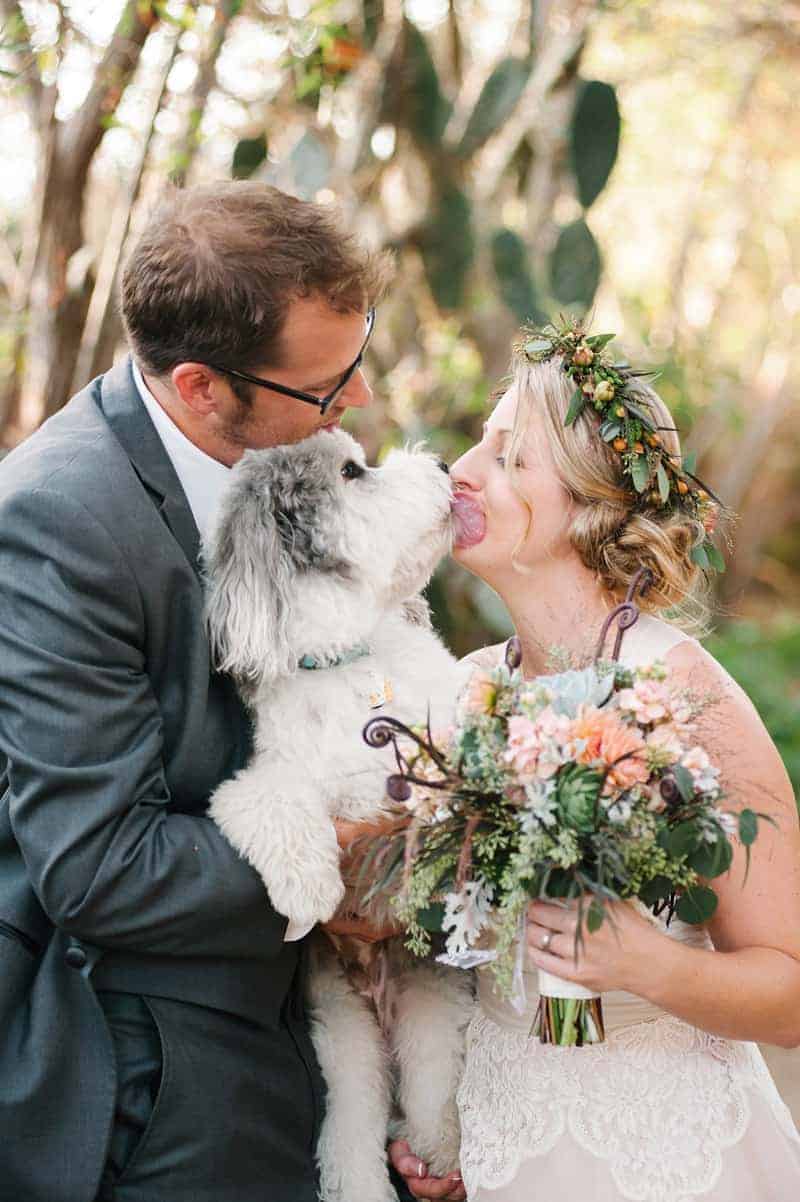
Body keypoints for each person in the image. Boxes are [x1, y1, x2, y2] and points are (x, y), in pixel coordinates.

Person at [0, 180, 451, 1202]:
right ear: (201, 385)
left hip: (322, 1017)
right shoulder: (59, 523)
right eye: (326, 388)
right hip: (161, 1063)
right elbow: (99, 865)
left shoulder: (286, 453)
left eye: (356, 362)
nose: (357, 404)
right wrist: (352, 870)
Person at [445, 325, 800, 1201]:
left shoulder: (685, 694)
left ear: (589, 507)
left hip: (664, 1163)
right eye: (479, 443)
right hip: (500, 1154)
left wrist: (649, 964)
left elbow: (791, 992)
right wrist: (438, 1127)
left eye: (509, 456)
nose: (462, 471)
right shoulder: (463, 692)